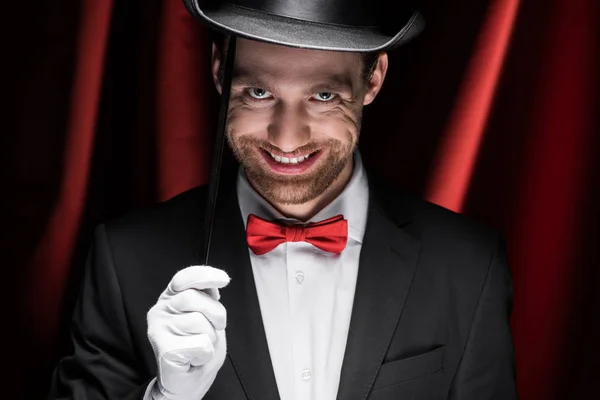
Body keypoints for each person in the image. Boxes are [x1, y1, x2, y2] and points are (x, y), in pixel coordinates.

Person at [47, 0, 518, 399]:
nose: (287, 138)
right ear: (218, 71)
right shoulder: (125, 257)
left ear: (372, 81)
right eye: (258, 92)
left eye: (324, 95)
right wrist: (168, 396)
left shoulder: (469, 266)